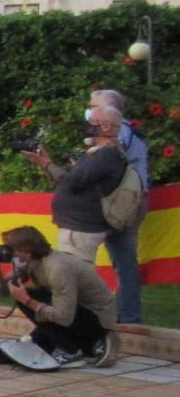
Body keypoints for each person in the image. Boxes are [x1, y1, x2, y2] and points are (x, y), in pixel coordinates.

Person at [23, 105, 127, 265]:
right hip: (77, 228)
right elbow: (66, 180)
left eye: (92, 122)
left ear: (105, 126)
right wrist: (45, 164)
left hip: (81, 230)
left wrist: (45, 163)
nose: (88, 126)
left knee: (74, 278)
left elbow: (71, 182)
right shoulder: (101, 154)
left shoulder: (105, 155)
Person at [1, 225, 116, 368]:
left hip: (97, 320)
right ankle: (77, 345)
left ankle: (71, 351)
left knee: (28, 297)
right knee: (38, 338)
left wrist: (27, 300)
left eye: (11, 249)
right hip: (76, 311)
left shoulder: (57, 268)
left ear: (27, 251)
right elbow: (3, 290)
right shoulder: (35, 261)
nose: (9, 253)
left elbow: (64, 317)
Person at [86, 90, 147, 323]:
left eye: (94, 107)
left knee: (80, 255)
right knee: (124, 261)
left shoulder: (120, 132)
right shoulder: (132, 132)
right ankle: (129, 315)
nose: (90, 111)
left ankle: (99, 314)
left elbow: (107, 158)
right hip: (126, 201)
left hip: (120, 203)